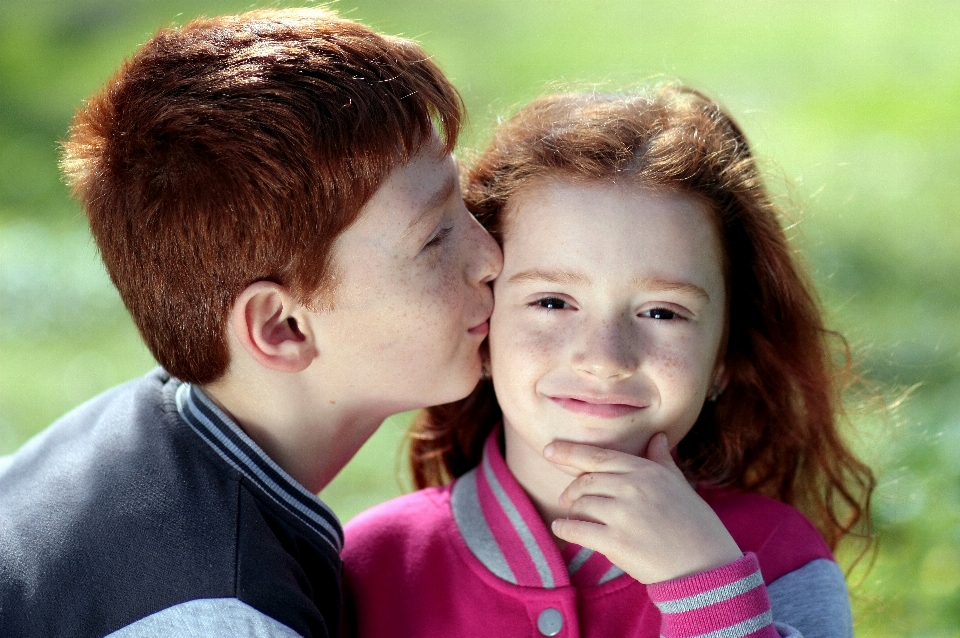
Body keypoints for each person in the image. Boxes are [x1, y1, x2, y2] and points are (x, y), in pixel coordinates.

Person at [0, 8, 501, 638]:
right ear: (282, 328)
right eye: (435, 238)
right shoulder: (221, 616)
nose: (490, 258)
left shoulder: (142, 429)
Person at [341, 86, 876, 638]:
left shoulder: (780, 556)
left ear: (726, 356)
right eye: (552, 302)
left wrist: (707, 593)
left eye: (662, 313)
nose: (604, 358)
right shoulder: (373, 561)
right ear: (483, 324)